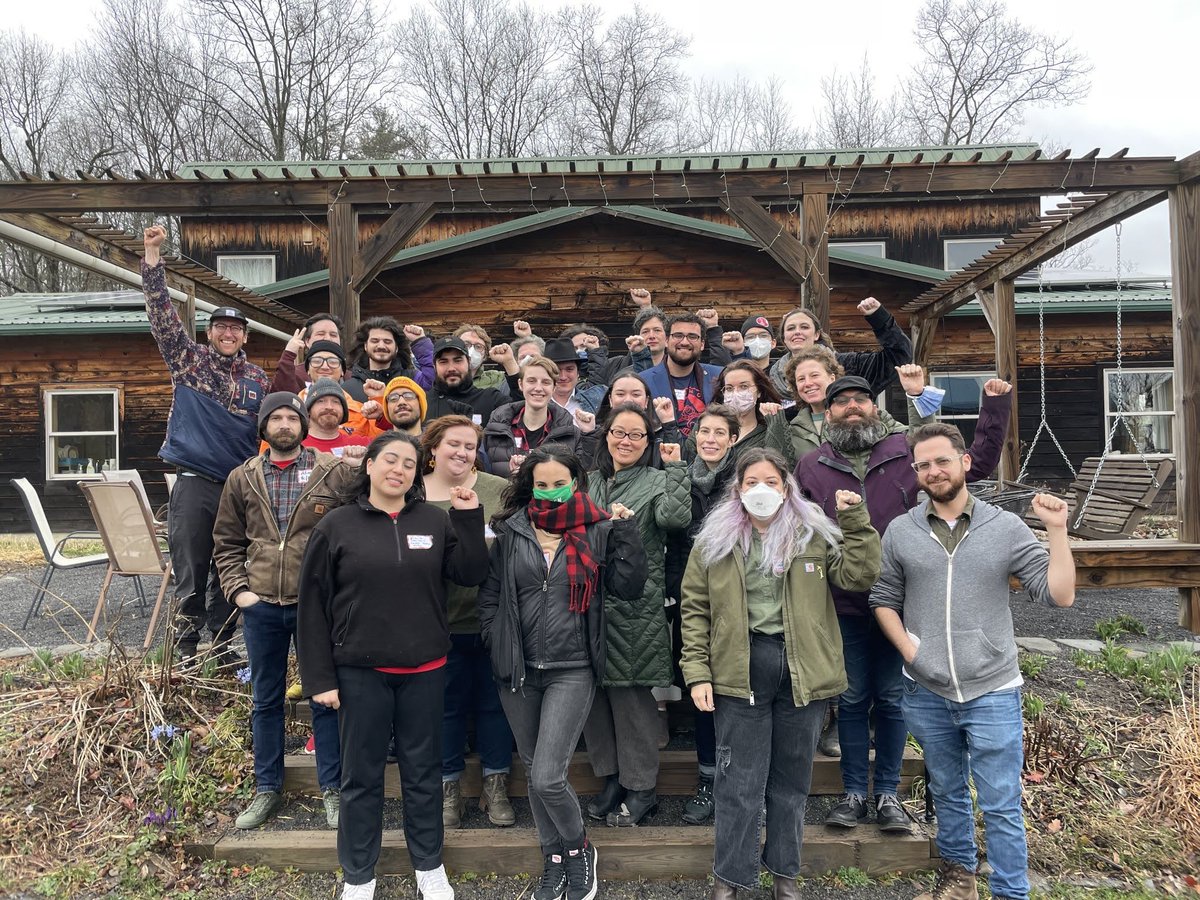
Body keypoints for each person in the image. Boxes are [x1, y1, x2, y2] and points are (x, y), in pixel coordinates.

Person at [794, 375, 1011, 835]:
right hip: (843, 603)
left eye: (861, 399)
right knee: (852, 698)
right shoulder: (811, 465)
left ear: (875, 407)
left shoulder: (903, 452)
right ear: (827, 414)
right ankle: (854, 792)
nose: (852, 406)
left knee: (893, 699)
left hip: (905, 603)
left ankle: (888, 793)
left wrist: (994, 407)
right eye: (841, 402)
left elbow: (973, 465)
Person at [870, 424, 1076, 900]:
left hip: (992, 689)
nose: (933, 471)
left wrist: (1057, 530)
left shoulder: (1004, 528)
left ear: (964, 462)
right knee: (947, 791)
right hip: (926, 688)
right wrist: (911, 651)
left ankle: (1010, 892)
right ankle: (960, 881)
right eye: (923, 465)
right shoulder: (902, 530)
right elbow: (883, 598)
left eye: (942, 460)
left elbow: (1059, 594)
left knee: (1001, 803)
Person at [296, 431, 489, 900]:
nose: (398, 469)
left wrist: (468, 517)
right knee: (360, 778)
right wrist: (319, 678)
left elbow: (470, 574)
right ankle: (358, 875)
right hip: (360, 672)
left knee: (423, 774)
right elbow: (312, 606)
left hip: (425, 669)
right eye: (390, 460)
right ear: (369, 465)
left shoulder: (434, 520)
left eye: (408, 463)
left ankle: (429, 866)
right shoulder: (337, 526)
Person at [681, 448, 881, 899]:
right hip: (739, 668)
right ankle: (730, 878)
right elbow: (694, 609)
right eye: (752, 481)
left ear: (786, 487)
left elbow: (859, 576)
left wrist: (855, 521)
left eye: (771, 481)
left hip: (801, 667)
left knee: (791, 782)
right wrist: (697, 672)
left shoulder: (811, 534)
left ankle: (784, 876)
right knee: (738, 783)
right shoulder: (714, 541)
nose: (761, 490)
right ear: (738, 489)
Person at [478, 447, 647, 900]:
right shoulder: (512, 530)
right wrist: (495, 639)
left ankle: (578, 848)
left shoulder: (598, 529)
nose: (551, 491)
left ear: (575, 483)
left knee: (547, 776)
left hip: (572, 668)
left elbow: (629, 588)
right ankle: (552, 856)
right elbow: (491, 593)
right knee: (536, 769)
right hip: (517, 670)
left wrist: (627, 533)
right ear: (530, 485)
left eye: (559, 483)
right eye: (542, 484)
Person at [213, 392, 355, 832]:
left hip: (316, 606)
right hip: (262, 605)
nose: (284, 425)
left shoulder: (333, 472)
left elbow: (355, 530)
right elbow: (226, 541)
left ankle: (332, 789)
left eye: (292, 417)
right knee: (266, 700)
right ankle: (267, 788)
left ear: (303, 425)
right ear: (264, 427)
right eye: (275, 418)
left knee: (325, 698)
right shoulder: (242, 477)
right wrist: (239, 593)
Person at [140, 224, 267, 662]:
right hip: (194, 483)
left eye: (236, 328)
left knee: (231, 568)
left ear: (245, 336)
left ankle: (224, 647)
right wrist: (152, 257)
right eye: (220, 327)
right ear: (209, 332)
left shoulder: (259, 379)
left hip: (238, 487)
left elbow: (272, 427)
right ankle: (185, 650)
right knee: (191, 569)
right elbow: (161, 314)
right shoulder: (187, 361)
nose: (228, 334)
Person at [583, 403, 691, 826]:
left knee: (631, 701)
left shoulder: (657, 480)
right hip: (588, 603)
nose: (625, 441)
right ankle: (612, 778)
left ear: (647, 442)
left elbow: (675, 518)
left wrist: (676, 469)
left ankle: (641, 787)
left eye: (636, 435)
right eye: (619, 432)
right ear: (606, 435)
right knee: (594, 698)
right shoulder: (589, 481)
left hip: (635, 607)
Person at [418, 417, 516, 830]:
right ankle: (448, 787)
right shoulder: (415, 494)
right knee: (446, 707)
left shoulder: (498, 490)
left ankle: (496, 784)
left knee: (495, 705)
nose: (461, 452)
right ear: (433, 449)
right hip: (437, 623)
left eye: (470, 446)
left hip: (493, 620)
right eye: (453, 444)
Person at [663, 405, 741, 825]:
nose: (710, 439)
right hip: (693, 598)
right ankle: (708, 778)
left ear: (733, 439)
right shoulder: (682, 476)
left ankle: (742, 781)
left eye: (719, 433)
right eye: (704, 432)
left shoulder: (743, 479)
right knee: (702, 690)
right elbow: (676, 541)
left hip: (738, 599)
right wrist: (676, 589)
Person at [768, 299, 912, 398]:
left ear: (817, 334)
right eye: (791, 328)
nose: (797, 332)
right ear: (784, 338)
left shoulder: (848, 365)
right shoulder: (771, 378)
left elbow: (899, 356)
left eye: (804, 327)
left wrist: (879, 318)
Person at [483, 355, 598, 476]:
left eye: (546, 382)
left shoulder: (571, 433)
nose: (538, 388)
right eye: (531, 381)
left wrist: (589, 435)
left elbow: (582, 476)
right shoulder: (495, 429)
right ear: (521, 384)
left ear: (554, 388)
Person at [638, 313, 723, 437]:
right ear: (666, 341)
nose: (684, 342)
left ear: (702, 344)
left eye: (692, 336)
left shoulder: (719, 375)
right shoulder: (643, 380)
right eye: (678, 335)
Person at [692, 361, 791, 466]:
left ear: (759, 391)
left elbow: (781, 466)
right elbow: (690, 462)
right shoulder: (705, 424)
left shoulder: (770, 429)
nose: (736, 393)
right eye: (729, 388)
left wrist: (774, 421)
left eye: (744, 386)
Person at [342, 316, 435, 401]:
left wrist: (420, 341)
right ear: (365, 346)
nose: (381, 346)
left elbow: (433, 382)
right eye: (375, 341)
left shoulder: (411, 379)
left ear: (396, 348)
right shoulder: (347, 388)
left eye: (387, 341)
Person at [425, 336, 507, 424]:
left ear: (468, 362)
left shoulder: (491, 399)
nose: (451, 368)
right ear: (434, 366)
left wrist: (509, 363)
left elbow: (517, 412)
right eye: (443, 362)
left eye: (458, 360)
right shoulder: (422, 403)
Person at [270, 312, 345, 393]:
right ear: (307, 341)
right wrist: (288, 354)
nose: (327, 338)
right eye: (321, 334)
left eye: (333, 335)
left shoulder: (349, 378)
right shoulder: (296, 374)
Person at [543, 338, 606, 416]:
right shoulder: (533, 403)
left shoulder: (595, 399)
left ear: (578, 373)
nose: (563, 377)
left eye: (569, 369)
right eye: (556, 370)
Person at [453, 324, 510, 397]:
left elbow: (518, 390)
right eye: (466, 344)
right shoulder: (442, 377)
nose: (471, 351)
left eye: (478, 347)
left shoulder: (497, 379)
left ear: (485, 355)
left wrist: (509, 362)